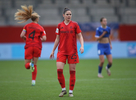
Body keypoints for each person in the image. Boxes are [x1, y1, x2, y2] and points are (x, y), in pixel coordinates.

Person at [50, 8, 84, 97]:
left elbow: (80, 36)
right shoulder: (59, 25)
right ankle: (63, 89)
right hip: (61, 51)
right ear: (63, 15)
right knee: (59, 70)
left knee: (72, 71)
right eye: (67, 14)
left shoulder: (75, 24)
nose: (69, 16)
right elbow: (57, 39)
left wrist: (82, 46)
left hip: (72, 52)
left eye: (70, 14)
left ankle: (71, 92)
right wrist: (53, 50)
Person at [14, 5, 46, 85]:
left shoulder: (26, 26)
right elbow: (44, 38)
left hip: (29, 46)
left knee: (27, 66)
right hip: (37, 47)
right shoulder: (41, 27)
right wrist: (41, 39)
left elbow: (21, 35)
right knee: (35, 65)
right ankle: (33, 81)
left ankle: (29, 64)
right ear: (37, 19)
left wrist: (25, 39)